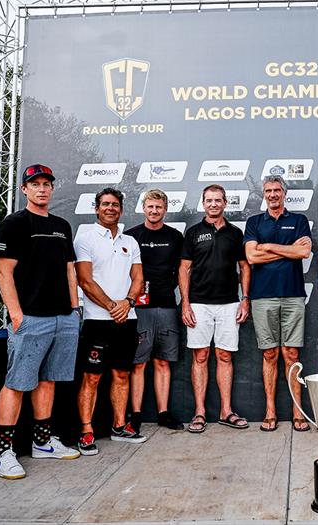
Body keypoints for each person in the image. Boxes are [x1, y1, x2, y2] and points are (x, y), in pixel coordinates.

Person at [0, 164, 81, 479]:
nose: (42, 189)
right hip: (30, 317)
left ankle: (42, 443)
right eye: (35, 184)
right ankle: (3, 452)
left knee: (48, 380)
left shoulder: (61, 225)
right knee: (16, 383)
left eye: (47, 184)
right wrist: (16, 315)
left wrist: (74, 309)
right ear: (24, 189)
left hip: (63, 318)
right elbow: (4, 271)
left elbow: (70, 269)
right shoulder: (15, 223)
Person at [74, 187, 146, 455]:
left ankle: (119, 426)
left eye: (115, 204)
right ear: (96, 208)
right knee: (92, 377)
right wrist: (111, 306)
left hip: (127, 318)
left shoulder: (131, 242)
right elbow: (85, 280)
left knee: (122, 374)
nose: (110, 208)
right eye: (105, 204)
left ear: (121, 209)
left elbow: (139, 278)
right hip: (98, 321)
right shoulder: (85, 239)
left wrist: (126, 303)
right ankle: (86, 431)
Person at [180, 184, 251, 433]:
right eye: (209, 200)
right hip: (198, 304)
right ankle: (199, 412)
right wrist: (186, 303)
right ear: (203, 203)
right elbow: (184, 269)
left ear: (225, 203)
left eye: (218, 200)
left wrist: (245, 299)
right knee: (200, 357)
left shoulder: (235, 233)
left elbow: (244, 267)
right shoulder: (193, 233)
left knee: (225, 356)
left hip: (229, 304)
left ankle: (226, 411)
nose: (213, 204)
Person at [244, 175, 312, 432]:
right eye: (268, 190)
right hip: (263, 297)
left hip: (293, 295)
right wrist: (286, 249)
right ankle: (270, 410)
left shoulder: (299, 221)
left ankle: (298, 411)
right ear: (264, 194)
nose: (272, 194)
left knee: (291, 354)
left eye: (277, 190)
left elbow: (303, 252)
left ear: (284, 193)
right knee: (269, 354)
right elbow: (251, 256)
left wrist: (268, 247)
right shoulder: (254, 222)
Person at [125, 190, 184, 432]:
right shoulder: (131, 236)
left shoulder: (175, 237)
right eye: (150, 206)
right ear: (143, 207)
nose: (154, 211)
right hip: (138, 308)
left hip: (168, 305)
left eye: (158, 207)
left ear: (165, 209)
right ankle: (136, 414)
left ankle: (163, 413)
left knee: (163, 362)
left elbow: (182, 271)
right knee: (139, 363)